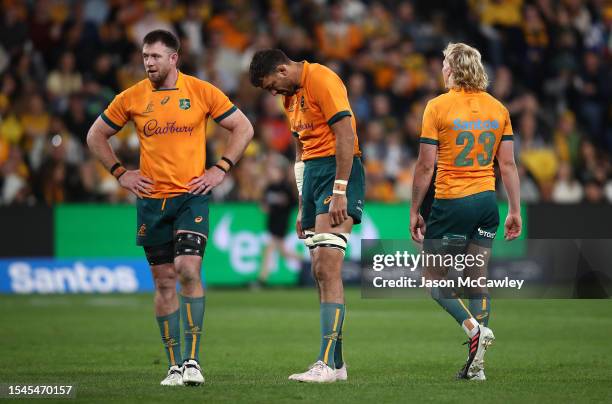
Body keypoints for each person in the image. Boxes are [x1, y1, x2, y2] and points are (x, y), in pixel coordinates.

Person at [86, 30, 253, 386]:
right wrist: (120, 173)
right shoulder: (131, 98)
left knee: (187, 269)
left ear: (174, 58)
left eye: (155, 57)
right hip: (151, 201)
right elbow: (95, 135)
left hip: (192, 195)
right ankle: (174, 365)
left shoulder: (201, 91)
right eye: (145, 56)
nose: (148, 63)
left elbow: (243, 127)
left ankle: (193, 361)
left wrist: (220, 168)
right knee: (163, 283)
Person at [249, 49, 365, 383]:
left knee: (327, 266)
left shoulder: (323, 80)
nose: (274, 93)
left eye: (273, 85)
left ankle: (326, 363)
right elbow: (300, 149)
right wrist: (303, 202)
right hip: (313, 175)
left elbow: (346, 134)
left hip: (338, 169)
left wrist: (340, 188)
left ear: (283, 70)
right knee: (318, 270)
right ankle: (337, 365)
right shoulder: (290, 97)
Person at [410, 43, 522, 381]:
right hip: (487, 203)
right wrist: (514, 210)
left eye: (444, 63)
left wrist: (415, 208)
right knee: (477, 280)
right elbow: (508, 164)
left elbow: (425, 165)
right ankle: (478, 367)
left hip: (452, 202)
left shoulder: (437, 107)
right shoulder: (498, 108)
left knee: (432, 280)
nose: (441, 68)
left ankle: (472, 328)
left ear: (454, 68)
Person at [254, 154, 300, 289]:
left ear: (280, 172)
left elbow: (293, 204)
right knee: (283, 252)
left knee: (269, 249)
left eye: (273, 170)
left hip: (281, 223)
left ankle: (262, 278)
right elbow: (264, 204)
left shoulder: (285, 187)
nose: (270, 173)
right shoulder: (269, 188)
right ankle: (307, 262)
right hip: (272, 223)